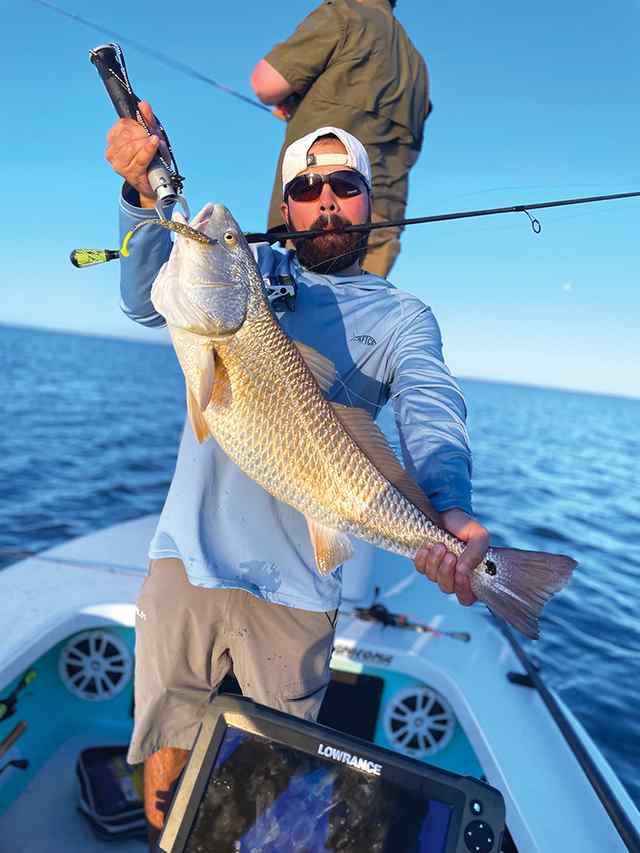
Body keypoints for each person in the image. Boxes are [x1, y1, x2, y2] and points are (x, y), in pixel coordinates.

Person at [106, 105, 488, 849]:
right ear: (285, 207)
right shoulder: (244, 268)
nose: (325, 201)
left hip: (299, 584)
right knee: (165, 737)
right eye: (306, 190)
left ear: (370, 202)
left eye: (344, 185)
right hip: (187, 556)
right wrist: (140, 196)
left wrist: (450, 504)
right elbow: (140, 295)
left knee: (263, 772)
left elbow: (431, 402)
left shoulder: (404, 315)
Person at [251, 0, 430, 278]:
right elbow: (412, 155)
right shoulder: (417, 64)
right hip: (382, 220)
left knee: (302, 314)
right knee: (367, 313)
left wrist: (295, 104)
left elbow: (265, 83)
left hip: (317, 211)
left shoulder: (343, 15)